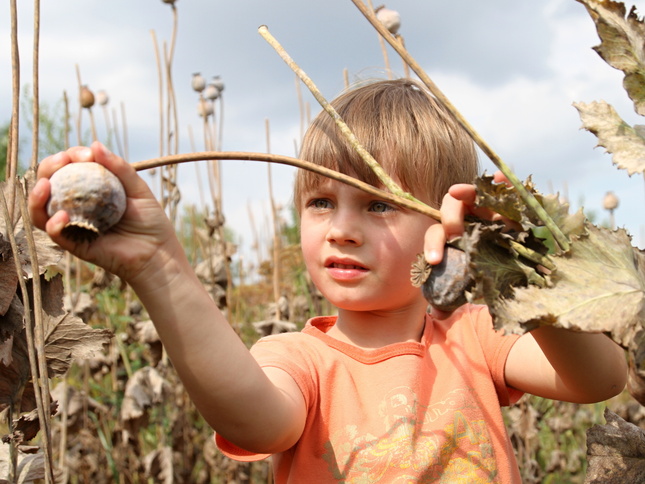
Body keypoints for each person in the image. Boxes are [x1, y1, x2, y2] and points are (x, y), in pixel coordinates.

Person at [29, 78, 627, 483]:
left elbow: (598, 378)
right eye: (320, 202)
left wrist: (520, 253)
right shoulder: (298, 358)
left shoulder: (476, 337)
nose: (342, 229)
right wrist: (159, 268)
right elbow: (255, 419)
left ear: (448, 218)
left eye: (377, 206)